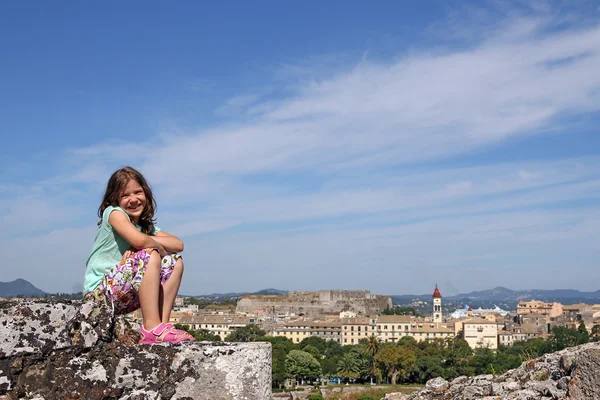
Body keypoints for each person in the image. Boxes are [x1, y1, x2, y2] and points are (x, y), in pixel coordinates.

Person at [83, 166, 194, 344]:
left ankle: (161, 326)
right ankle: (151, 327)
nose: (133, 199)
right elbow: (139, 241)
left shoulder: (145, 227)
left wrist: (146, 243)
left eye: (138, 192)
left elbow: (178, 244)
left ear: (146, 194)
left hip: (123, 292)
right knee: (149, 254)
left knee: (174, 261)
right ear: (115, 199)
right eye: (125, 195)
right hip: (99, 295)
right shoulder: (113, 213)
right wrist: (150, 246)